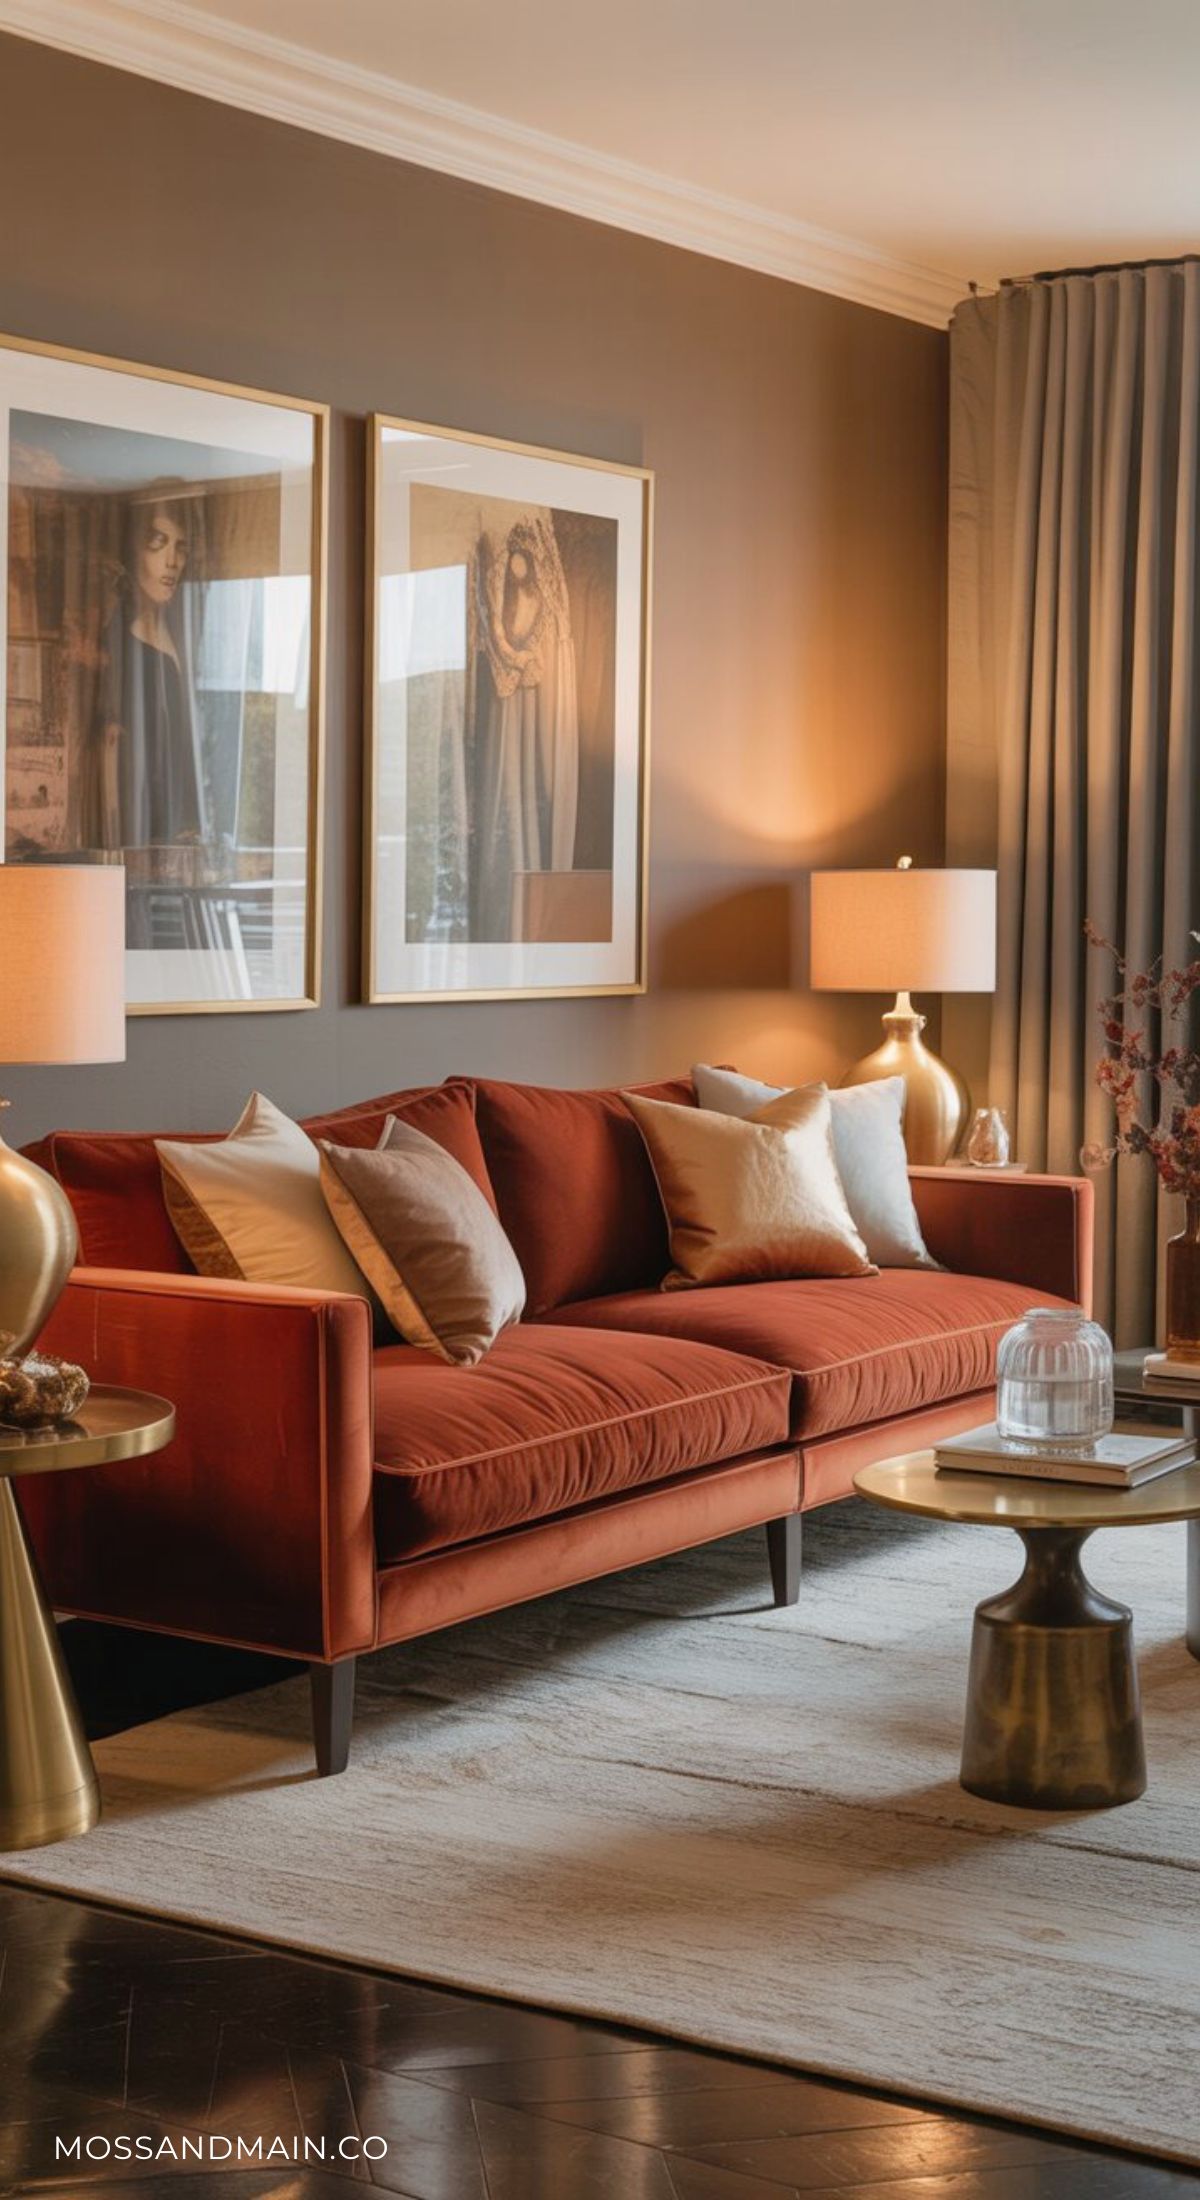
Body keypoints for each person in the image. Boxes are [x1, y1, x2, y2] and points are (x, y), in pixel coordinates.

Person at [94, 488, 206, 851]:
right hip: (141, 842)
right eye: (158, 543)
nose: (172, 561)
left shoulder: (184, 636)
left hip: (177, 837)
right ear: (133, 552)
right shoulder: (122, 646)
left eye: (181, 547)